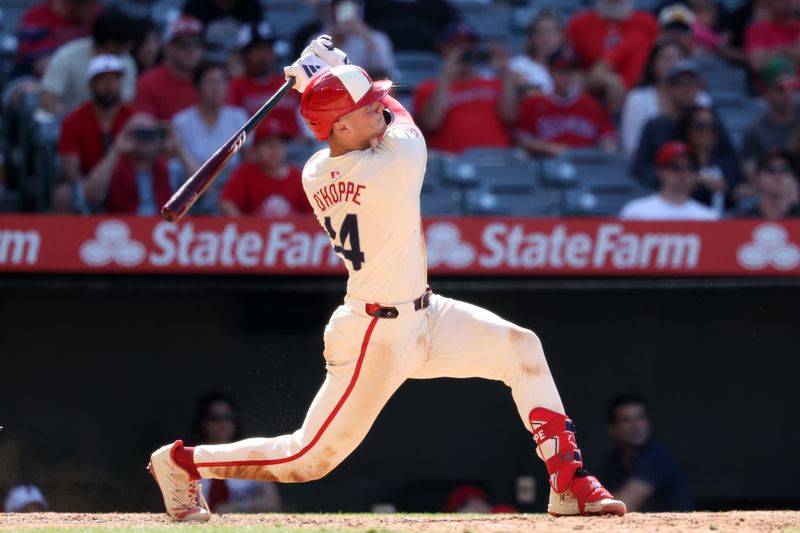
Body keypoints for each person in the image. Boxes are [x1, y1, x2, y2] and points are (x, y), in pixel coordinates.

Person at [148, 34, 627, 523]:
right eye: (366, 107)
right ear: (340, 125)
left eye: (375, 104)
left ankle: (568, 483)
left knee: (522, 348)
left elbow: (362, 117)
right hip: (374, 334)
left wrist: (322, 82)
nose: (379, 108)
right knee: (306, 459)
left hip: (425, 313)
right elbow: (403, 116)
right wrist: (334, 66)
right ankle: (181, 462)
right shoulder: (394, 162)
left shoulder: (315, 170)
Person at [412, 23, 513, 154]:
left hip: (497, 159)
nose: (465, 51)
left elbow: (510, 117)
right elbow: (431, 123)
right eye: (457, 46)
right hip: (452, 164)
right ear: (444, 49)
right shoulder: (428, 88)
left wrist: (506, 72)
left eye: (470, 46)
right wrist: (446, 76)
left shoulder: (494, 83)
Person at [54, 55, 134, 213]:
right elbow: (71, 171)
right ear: (91, 84)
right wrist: (93, 186)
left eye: (115, 79)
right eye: (103, 80)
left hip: (128, 183)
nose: (110, 86)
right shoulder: (73, 120)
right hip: (88, 185)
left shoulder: (133, 117)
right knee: (63, 194)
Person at [512, 47, 617, 158]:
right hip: (546, 164)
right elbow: (520, 140)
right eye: (561, 71)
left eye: (571, 72)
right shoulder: (532, 103)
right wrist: (548, 148)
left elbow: (608, 140)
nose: (566, 77)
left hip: (586, 166)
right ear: (550, 72)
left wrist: (607, 148)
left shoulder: (592, 105)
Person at [173, 61, 249, 213]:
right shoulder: (181, 121)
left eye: (221, 82)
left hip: (233, 190)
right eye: (210, 82)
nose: (216, 88)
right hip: (192, 193)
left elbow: (247, 162)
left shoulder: (239, 117)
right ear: (198, 86)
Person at [83, 113, 197, 214]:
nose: (145, 140)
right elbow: (90, 196)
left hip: (162, 229)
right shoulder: (112, 169)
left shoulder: (171, 169)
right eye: (139, 133)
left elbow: (204, 192)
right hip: (126, 231)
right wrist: (116, 150)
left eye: (150, 133)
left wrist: (179, 149)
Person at [188, 392, 282, 513]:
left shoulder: (251, 456)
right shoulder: (189, 460)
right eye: (214, 418)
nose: (222, 423)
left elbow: (272, 501)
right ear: (203, 423)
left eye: (228, 417)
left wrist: (236, 507)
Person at [601, 394, 693, 512]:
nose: (636, 426)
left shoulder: (657, 455)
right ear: (613, 429)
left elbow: (622, 505)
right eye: (626, 420)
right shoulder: (614, 460)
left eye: (640, 417)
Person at [39, 8, 137, 115]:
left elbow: (125, 104)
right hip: (67, 123)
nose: (126, 50)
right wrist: (76, 122)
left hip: (108, 126)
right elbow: (48, 99)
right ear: (111, 44)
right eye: (124, 46)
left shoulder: (127, 62)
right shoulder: (68, 55)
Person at [566, 0, 659, 112]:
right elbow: (569, 66)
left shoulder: (646, 24)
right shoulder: (578, 23)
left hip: (635, 96)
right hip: (589, 95)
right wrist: (607, 80)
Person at [630, 59, 709, 186]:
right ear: (669, 88)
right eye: (681, 84)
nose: (686, 89)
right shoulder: (655, 127)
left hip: (703, 198)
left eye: (691, 84)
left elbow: (728, 164)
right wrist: (673, 178)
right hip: (661, 196)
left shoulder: (707, 124)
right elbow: (640, 170)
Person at [219, 119, 311, 217]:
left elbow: (313, 214)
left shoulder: (297, 176)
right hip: (254, 230)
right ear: (256, 149)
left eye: (279, 144)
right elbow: (226, 202)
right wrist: (243, 227)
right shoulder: (245, 173)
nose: (275, 150)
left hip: (291, 231)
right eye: (269, 145)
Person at [226, 21, 302, 140]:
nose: (263, 55)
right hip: (254, 151)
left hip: (296, 149)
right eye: (256, 50)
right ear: (244, 55)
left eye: (267, 48)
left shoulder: (291, 82)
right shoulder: (235, 87)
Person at [621, 40, 687, 157]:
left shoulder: (698, 97)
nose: (671, 64)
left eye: (676, 59)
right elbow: (632, 147)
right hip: (648, 167)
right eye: (665, 59)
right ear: (652, 64)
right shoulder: (637, 99)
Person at [621, 141, 719, 219]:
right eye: (675, 167)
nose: (682, 173)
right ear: (659, 172)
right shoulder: (636, 213)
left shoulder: (707, 217)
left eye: (688, 167)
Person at [673, 105, 743, 213]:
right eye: (700, 126)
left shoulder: (728, 165)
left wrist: (728, 190)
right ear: (687, 129)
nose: (707, 131)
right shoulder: (675, 163)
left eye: (712, 127)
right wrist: (692, 185)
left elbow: (740, 195)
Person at [135, 16, 204, 121]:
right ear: (167, 47)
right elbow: (145, 128)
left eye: (196, 44)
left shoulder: (212, 82)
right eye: (183, 45)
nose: (190, 51)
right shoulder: (148, 82)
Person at [741, 56, 800, 178]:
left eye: (792, 86)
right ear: (767, 91)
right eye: (781, 88)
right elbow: (750, 172)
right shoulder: (755, 131)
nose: (788, 94)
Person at [15, 0, 99, 68]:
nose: (95, 8)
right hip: (35, 77)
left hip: (88, 76)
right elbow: (41, 65)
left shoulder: (98, 15)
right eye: (90, 4)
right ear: (70, 3)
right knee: (29, 88)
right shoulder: (37, 17)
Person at [362, 0, 460, 53]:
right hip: (378, 53)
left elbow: (457, 26)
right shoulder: (372, 3)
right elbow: (357, 23)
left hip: (432, 52)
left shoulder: (435, 3)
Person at [183, 0, 263, 60]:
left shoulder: (251, 6)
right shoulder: (195, 5)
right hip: (202, 61)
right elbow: (186, 41)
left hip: (242, 59)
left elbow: (258, 43)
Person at [508, 11, 564, 95]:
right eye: (540, 32)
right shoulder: (518, 64)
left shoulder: (569, 68)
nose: (545, 37)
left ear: (560, 37)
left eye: (550, 32)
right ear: (532, 38)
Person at [745, 0, 800, 85]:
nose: (788, 3)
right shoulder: (758, 29)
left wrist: (780, 51)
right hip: (776, 93)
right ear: (769, 4)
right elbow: (757, 64)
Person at [736, 148, 800, 218]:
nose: (778, 176)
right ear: (756, 178)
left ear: (793, 178)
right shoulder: (743, 219)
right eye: (770, 170)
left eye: (785, 170)